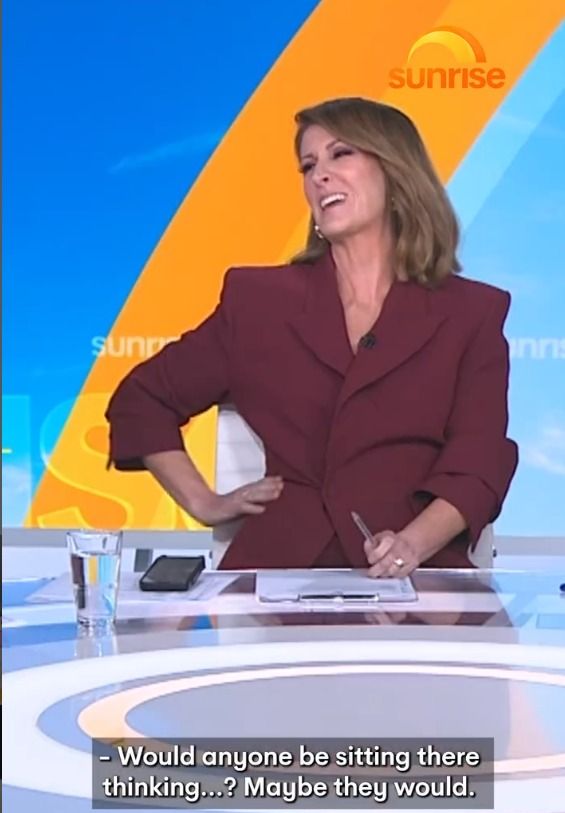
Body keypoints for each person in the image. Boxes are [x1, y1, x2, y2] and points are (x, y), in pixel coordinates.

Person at [106, 97, 518, 576]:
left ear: (396, 170)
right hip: (280, 567)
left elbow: (479, 459)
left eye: (340, 154)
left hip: (419, 571)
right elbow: (143, 399)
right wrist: (204, 502)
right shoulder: (259, 302)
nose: (319, 175)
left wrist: (412, 543)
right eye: (308, 165)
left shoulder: (471, 312)